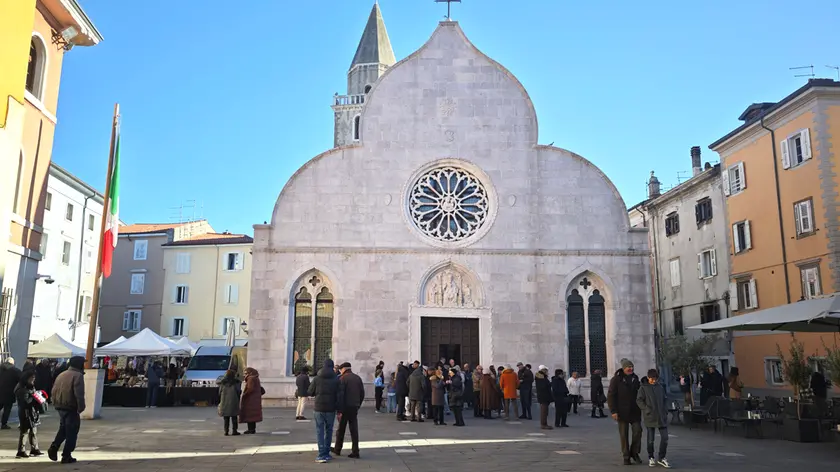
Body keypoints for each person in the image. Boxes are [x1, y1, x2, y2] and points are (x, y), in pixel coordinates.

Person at [48, 355, 85, 464]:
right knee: (72, 431)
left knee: (63, 429)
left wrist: (54, 402)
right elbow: (79, 394)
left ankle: (54, 447)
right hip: (70, 406)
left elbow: (54, 390)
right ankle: (66, 455)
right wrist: (81, 407)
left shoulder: (62, 374)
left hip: (60, 406)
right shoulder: (77, 375)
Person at [608, 359, 642, 466]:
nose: (630, 368)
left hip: (635, 411)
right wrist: (613, 411)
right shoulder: (616, 379)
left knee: (638, 431)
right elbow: (611, 396)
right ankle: (626, 456)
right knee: (624, 434)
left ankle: (634, 452)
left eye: (632, 366)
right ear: (623, 368)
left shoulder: (635, 378)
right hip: (622, 411)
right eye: (628, 367)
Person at [636, 369, 671, 468]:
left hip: (661, 416)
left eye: (655, 379)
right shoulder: (643, 388)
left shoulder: (660, 387)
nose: (654, 381)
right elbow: (639, 400)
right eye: (652, 379)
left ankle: (661, 457)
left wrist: (665, 410)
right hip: (650, 416)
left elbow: (665, 399)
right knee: (651, 439)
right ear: (648, 378)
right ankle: (651, 457)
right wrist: (646, 409)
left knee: (665, 438)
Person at [308, 359, 339, 463]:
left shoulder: (317, 378)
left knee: (319, 431)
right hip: (331, 408)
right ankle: (326, 453)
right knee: (329, 430)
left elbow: (310, 392)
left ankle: (321, 454)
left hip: (319, 408)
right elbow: (339, 394)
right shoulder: (336, 379)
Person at [332, 362, 364, 459]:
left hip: (345, 407)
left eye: (341, 370)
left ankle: (338, 449)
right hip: (354, 407)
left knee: (341, 429)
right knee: (354, 429)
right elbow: (362, 393)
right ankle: (355, 451)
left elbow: (340, 395)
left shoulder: (342, 378)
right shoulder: (357, 378)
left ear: (344, 369)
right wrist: (358, 405)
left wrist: (339, 410)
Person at [15, 369, 43, 458]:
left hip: (32, 412)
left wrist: (37, 395)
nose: (33, 380)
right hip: (25, 412)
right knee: (24, 431)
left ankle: (35, 448)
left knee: (33, 430)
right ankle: (21, 450)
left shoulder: (30, 386)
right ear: (26, 378)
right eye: (31, 378)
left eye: (34, 378)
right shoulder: (21, 388)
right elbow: (25, 401)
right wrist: (34, 397)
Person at [239, 367, 263, 434]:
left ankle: (250, 429)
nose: (245, 375)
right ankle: (252, 429)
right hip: (255, 400)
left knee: (249, 415)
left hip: (250, 400)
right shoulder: (255, 378)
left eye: (246, 373)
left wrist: (244, 394)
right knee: (253, 415)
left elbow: (250, 389)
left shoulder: (251, 378)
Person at [217, 369, 241, 436]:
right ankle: (234, 431)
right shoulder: (236, 382)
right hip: (234, 401)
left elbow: (219, 392)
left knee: (226, 418)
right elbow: (238, 391)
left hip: (224, 401)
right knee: (234, 417)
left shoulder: (222, 383)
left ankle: (226, 431)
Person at [0, 357, 22, 429]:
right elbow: (22, 380)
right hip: (9, 393)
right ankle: (4, 424)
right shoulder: (15, 371)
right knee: (7, 409)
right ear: (12, 363)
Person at [534, 365, 553, 430]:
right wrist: (550, 384)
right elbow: (543, 386)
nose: (547, 372)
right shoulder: (540, 377)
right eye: (546, 370)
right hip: (543, 396)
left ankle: (545, 423)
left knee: (545, 411)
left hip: (545, 395)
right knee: (544, 411)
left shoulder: (542, 377)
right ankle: (543, 424)